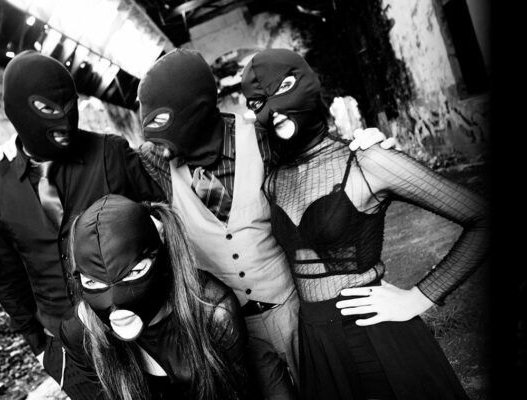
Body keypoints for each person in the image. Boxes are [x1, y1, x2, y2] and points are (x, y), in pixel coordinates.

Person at [135, 48, 390, 400]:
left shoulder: (260, 137)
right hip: (237, 328)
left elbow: (316, 158)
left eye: (164, 124)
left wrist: (363, 150)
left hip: (294, 307)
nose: (158, 146)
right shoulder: (160, 165)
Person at [241, 48, 489, 400]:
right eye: (258, 102)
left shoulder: (365, 161)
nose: (274, 108)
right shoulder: (274, 180)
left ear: (309, 83)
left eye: (283, 87)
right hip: (318, 349)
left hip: (375, 336)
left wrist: (418, 297)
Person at [0, 51, 164, 399]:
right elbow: (5, 274)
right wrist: (40, 347)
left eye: (70, 104)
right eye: (47, 108)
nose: (64, 119)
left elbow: (167, 222)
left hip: (139, 334)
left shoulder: (110, 153)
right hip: (68, 354)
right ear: (15, 111)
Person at [59, 194, 252, 400]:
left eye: (133, 273)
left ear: (160, 259)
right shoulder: (83, 333)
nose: (114, 302)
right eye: (92, 282)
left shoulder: (214, 313)